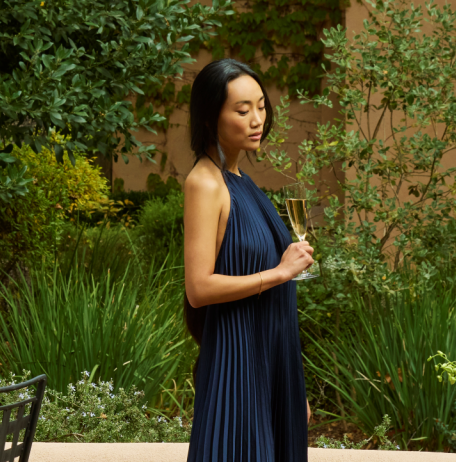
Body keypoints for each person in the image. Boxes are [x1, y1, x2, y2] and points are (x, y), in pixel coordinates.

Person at [181, 58, 315, 462]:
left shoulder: (242, 181)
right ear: (210, 118)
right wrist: (280, 272)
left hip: (270, 363)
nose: (257, 119)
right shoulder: (205, 184)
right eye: (242, 110)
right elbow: (199, 288)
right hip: (236, 364)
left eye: (260, 106)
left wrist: (291, 384)